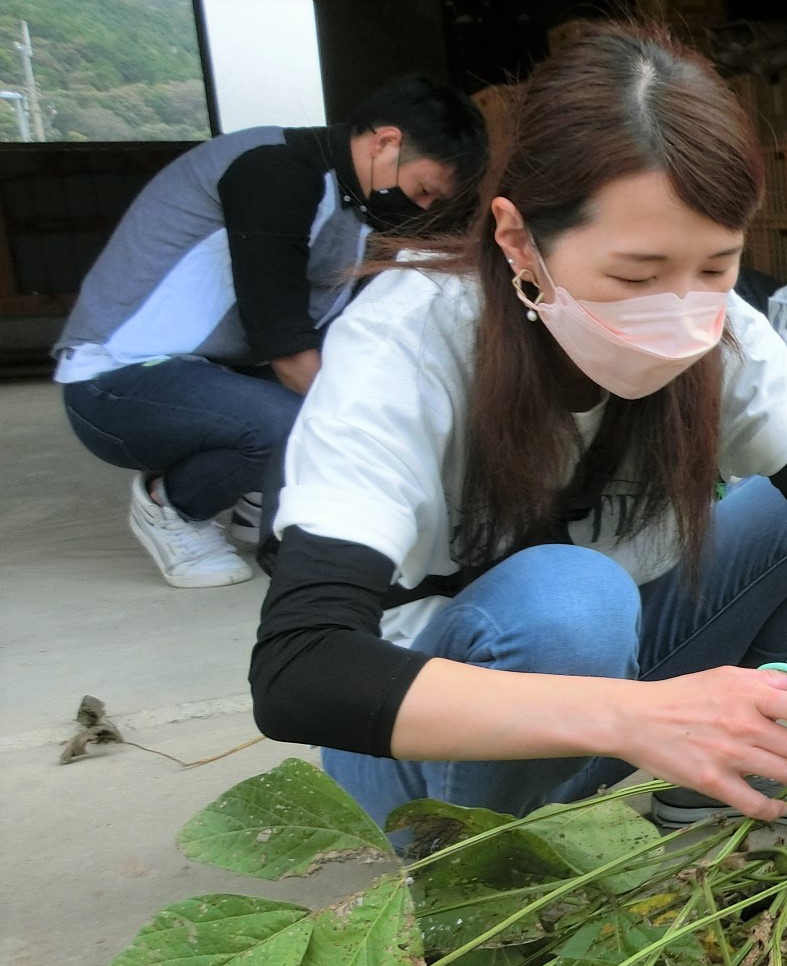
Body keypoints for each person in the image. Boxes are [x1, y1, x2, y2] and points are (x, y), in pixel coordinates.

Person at [250, 24, 787, 828]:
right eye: (636, 274)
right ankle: (483, 869)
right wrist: (638, 718)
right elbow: (300, 667)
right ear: (518, 238)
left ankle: (716, 775)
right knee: (573, 600)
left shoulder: (723, 332)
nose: (684, 312)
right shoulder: (409, 341)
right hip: (419, 735)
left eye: (715, 267)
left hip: (603, 683)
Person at [54, 75, 489, 589]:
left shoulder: (351, 198)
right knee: (293, 421)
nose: (419, 207)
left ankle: (257, 495)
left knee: (340, 390)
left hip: (206, 372)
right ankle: (167, 505)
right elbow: (281, 340)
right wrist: (376, 435)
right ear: (386, 142)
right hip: (115, 380)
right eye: (421, 190)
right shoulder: (274, 171)